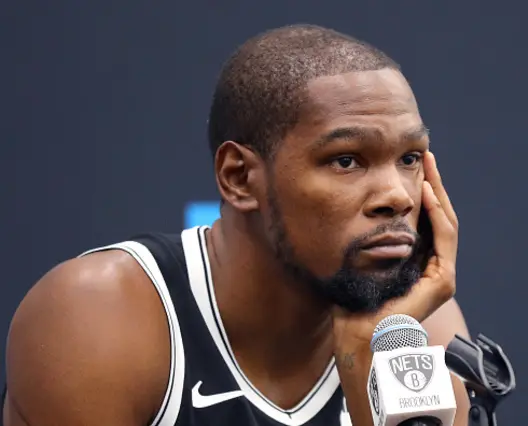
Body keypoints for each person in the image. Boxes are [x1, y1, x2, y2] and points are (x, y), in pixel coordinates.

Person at [2, 24, 469, 426]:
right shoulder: (101, 317)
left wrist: (367, 373)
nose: (399, 196)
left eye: (410, 158)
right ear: (239, 177)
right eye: (346, 160)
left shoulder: (417, 327)